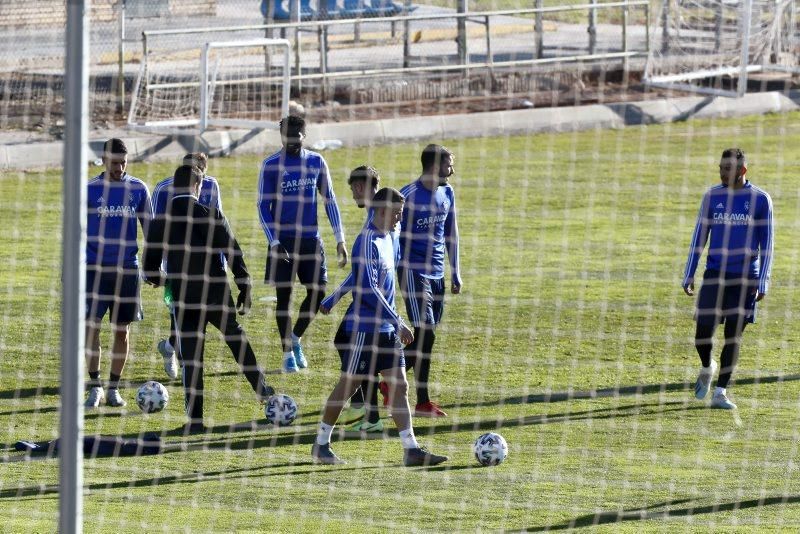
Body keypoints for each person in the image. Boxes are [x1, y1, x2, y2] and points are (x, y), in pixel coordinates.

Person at [311, 187, 448, 467]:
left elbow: (361, 276)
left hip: (387, 328)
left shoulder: (392, 238)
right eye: (397, 212)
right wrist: (398, 322)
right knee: (348, 385)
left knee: (401, 386)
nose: (400, 218)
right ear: (382, 210)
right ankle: (321, 444)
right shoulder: (366, 241)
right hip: (366, 329)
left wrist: (333, 298)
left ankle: (411, 449)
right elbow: (370, 287)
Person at [143, 165, 275, 433]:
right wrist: (244, 286)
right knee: (237, 339)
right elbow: (234, 252)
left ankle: (195, 421)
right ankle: (264, 392)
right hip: (215, 294)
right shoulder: (211, 214)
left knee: (192, 359)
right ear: (197, 186)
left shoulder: (160, 222)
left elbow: (149, 271)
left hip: (184, 299)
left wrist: (170, 279)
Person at [682, 148, 773, 410]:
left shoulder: (760, 200)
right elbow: (699, 236)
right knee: (702, 331)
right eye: (721, 168)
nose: (723, 173)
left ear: (743, 170)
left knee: (733, 335)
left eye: (728, 169)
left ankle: (720, 392)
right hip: (715, 274)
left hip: (746, 278)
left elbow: (768, 243)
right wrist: (689, 273)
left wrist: (763, 281)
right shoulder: (712, 196)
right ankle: (706, 366)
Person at [257, 115, 348, 373]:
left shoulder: (317, 162)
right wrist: (273, 240)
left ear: (304, 136)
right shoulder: (271, 165)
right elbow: (263, 206)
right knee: (284, 299)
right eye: (288, 138)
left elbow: (329, 199)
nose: (292, 142)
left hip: (310, 241)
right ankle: (287, 353)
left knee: (318, 292)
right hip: (283, 243)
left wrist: (340, 239)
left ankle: (295, 338)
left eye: (297, 137)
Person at [390, 144, 462, 418]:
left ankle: (385, 379)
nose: (452, 170)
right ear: (434, 166)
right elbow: (390, 233)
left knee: (425, 338)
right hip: (412, 271)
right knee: (426, 333)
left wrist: (455, 271)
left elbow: (451, 233)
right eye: (448, 165)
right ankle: (421, 401)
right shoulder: (407, 196)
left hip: (437, 274)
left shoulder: (448, 193)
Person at [84, 138, 152, 409]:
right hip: (93, 269)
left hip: (127, 270)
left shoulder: (137, 189)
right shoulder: (89, 190)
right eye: (114, 163)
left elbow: (151, 231)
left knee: (122, 331)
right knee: (91, 328)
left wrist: (155, 266)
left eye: (124, 162)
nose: (119, 168)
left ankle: (113, 388)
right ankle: (94, 386)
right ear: (103, 160)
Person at [320, 166, 385, 433]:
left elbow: (363, 271)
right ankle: (365, 407)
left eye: (352, 189)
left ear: (359, 187)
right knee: (350, 346)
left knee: (358, 351)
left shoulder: (376, 218)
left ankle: (366, 412)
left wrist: (334, 297)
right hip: (375, 296)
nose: (352, 195)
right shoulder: (381, 212)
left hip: (371, 300)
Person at [151, 153, 222, 380]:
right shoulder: (163, 189)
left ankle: (170, 347)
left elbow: (219, 223)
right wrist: (157, 266)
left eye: (199, 171)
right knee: (179, 313)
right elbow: (155, 227)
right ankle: (184, 366)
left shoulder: (212, 186)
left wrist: (221, 261)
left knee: (197, 315)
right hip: (174, 261)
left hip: (204, 263)